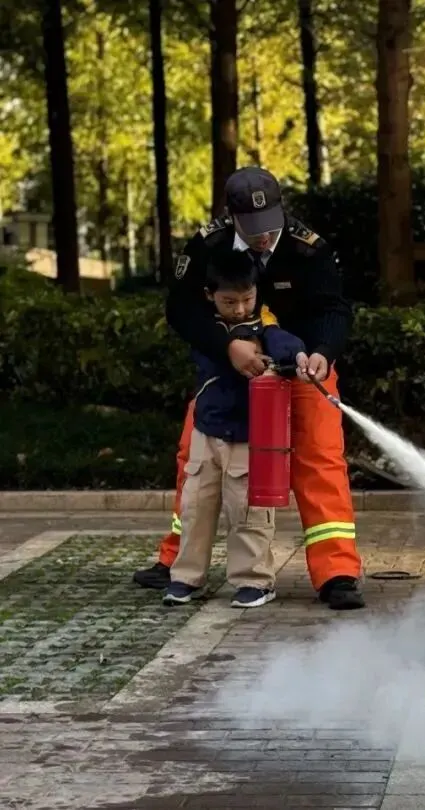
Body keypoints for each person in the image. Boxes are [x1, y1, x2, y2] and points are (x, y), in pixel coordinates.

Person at [134, 165, 365, 610]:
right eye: (253, 228)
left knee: (320, 460)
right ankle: (176, 562)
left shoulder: (308, 249)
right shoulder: (209, 246)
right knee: (194, 464)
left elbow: (334, 309)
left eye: (270, 225)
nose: (264, 237)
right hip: (226, 374)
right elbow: (181, 309)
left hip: (302, 372)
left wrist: (322, 352)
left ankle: (336, 572)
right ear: (232, 216)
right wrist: (228, 347)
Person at [164, 253, 306, 609]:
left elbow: (284, 343)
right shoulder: (204, 328)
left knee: (247, 510)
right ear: (210, 295)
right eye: (230, 302)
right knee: (195, 507)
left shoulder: (265, 326)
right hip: (206, 433)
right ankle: (185, 577)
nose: (241, 309)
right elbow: (202, 341)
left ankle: (254, 581)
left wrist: (297, 358)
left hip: (248, 437)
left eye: (247, 299)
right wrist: (233, 349)